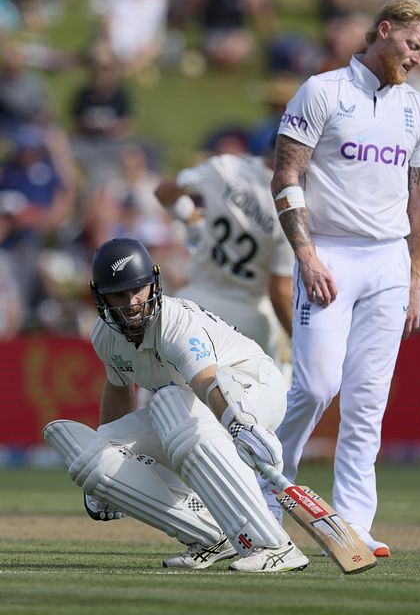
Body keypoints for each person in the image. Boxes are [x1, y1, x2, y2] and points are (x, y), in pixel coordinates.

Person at [264, 0, 420, 558]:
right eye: (412, 44)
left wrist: (416, 278)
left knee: (368, 400)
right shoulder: (323, 91)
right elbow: (286, 174)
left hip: (388, 261)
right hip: (331, 255)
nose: (417, 57)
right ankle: (266, 491)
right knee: (316, 386)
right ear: (383, 31)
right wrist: (308, 257)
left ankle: (354, 525)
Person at [43, 237, 308, 573]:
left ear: (152, 283)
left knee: (171, 405)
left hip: (250, 387)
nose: (133, 301)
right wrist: (111, 480)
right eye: (120, 294)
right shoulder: (104, 337)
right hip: (198, 404)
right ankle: (211, 536)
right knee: (100, 451)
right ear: (101, 298)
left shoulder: (175, 322)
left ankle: (273, 543)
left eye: (138, 289)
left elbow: (206, 381)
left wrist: (240, 424)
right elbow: (119, 387)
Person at [155, 138, 294, 366]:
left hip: (191, 305)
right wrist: (299, 338)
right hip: (249, 321)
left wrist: (190, 217)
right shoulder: (290, 208)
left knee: (163, 396)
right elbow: (280, 291)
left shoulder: (224, 167)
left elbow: (163, 192)